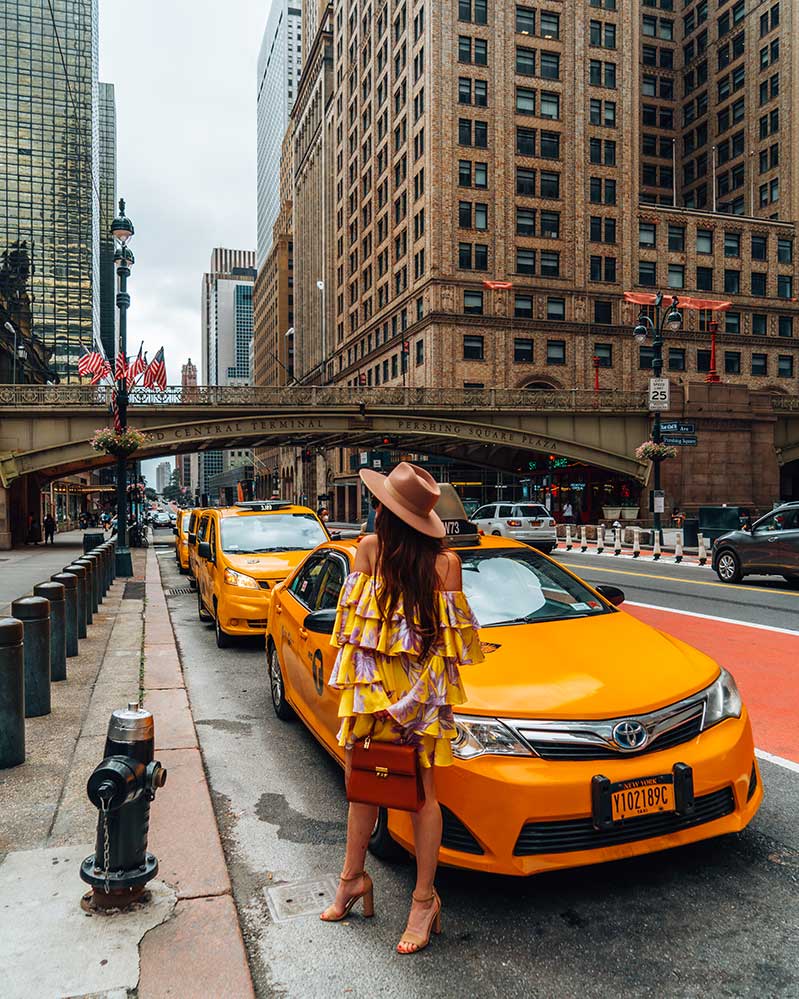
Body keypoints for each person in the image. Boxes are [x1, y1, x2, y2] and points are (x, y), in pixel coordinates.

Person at [320, 462, 484, 954]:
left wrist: (407, 706)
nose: (374, 513)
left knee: (422, 795)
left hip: (420, 697)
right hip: (375, 692)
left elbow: (448, 648)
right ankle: (352, 880)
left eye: (379, 507)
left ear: (387, 514)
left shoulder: (444, 565)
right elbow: (357, 635)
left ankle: (423, 899)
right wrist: (380, 700)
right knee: (362, 788)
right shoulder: (368, 552)